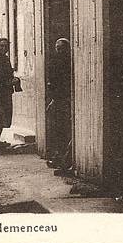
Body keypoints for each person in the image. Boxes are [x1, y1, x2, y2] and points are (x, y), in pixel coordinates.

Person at [47, 38, 73, 170]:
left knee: (65, 130)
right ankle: (58, 156)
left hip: (66, 100)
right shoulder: (54, 62)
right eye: (57, 48)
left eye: (62, 48)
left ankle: (63, 159)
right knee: (57, 130)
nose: (60, 51)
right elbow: (51, 83)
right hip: (58, 100)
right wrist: (53, 99)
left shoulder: (70, 62)